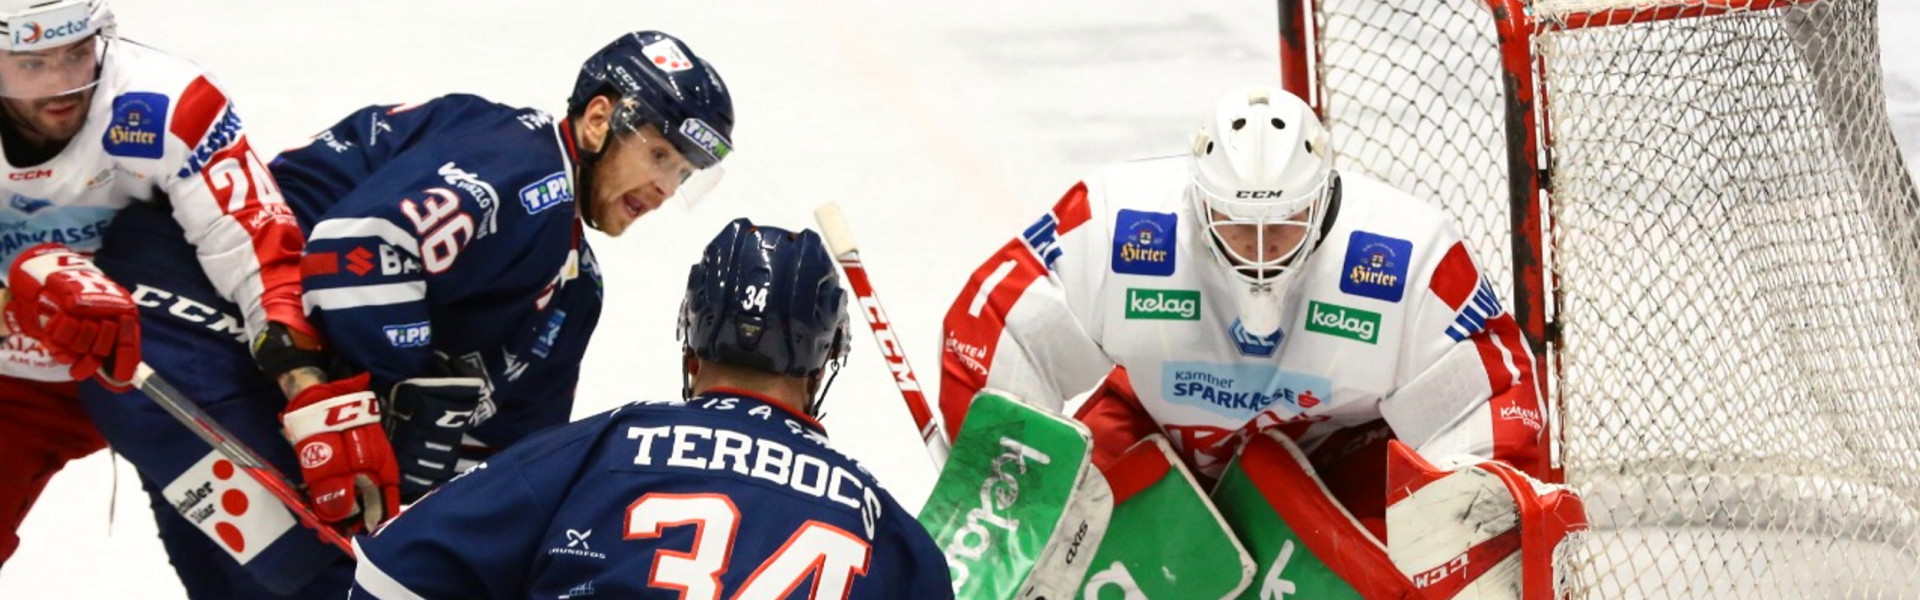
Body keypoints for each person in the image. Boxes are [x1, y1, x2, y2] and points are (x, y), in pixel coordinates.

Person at [940, 86, 1553, 536]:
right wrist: (1008, 480)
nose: (1260, 249)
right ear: (1198, 200)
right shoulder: (1118, 223)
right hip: (1158, 439)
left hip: (1337, 466)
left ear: (1323, 198)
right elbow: (1003, 328)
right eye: (1236, 223)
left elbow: (1491, 401)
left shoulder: (1406, 254)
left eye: (1284, 223)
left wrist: (1460, 532)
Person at [351, 218, 953, 599]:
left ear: (691, 342)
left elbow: (388, 575)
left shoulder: (601, 447)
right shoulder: (888, 531)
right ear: (821, 366)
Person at [268, 29, 732, 510]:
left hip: (291, 390)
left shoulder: (577, 287)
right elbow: (353, 254)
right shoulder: (520, 165)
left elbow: (517, 461)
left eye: (683, 173)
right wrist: (403, 391)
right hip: (242, 311)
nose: (664, 189)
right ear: (598, 120)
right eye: (659, 156)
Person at [0, 0, 363, 595]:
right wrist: (16, 295)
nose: (63, 83)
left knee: (271, 569)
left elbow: (249, 241)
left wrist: (307, 389)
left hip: (158, 363)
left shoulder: (163, 101)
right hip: (17, 384)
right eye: (33, 64)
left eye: (77, 53)